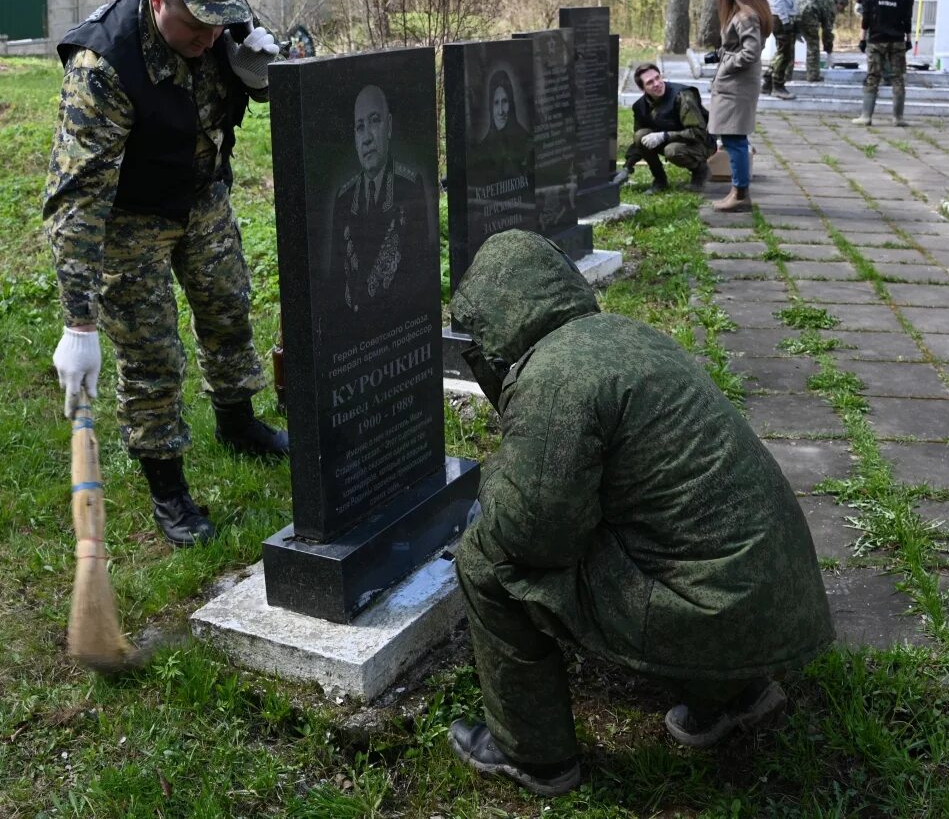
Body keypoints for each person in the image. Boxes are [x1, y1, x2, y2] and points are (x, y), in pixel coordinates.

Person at [446, 230, 834, 798]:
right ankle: (737, 696)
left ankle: (533, 756)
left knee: (487, 559)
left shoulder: (557, 376)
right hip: (780, 595)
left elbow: (533, 537)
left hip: (716, 608)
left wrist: (495, 483)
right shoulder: (626, 337)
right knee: (673, 538)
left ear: (497, 316)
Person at [45, 0, 290, 550]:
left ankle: (237, 422)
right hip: (130, 218)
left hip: (201, 194)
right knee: (152, 354)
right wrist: (79, 325)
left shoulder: (219, 14)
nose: (210, 37)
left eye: (220, 22)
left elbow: (271, 61)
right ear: (160, 0)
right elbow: (76, 202)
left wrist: (267, 74)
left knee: (228, 309)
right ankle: (169, 487)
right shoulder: (102, 67)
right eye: (198, 25)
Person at [328, 84, 436, 327]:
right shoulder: (344, 199)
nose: (366, 138)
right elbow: (336, 283)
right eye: (359, 127)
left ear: (388, 126)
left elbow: (418, 277)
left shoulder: (409, 186)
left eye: (374, 121)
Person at [709, 0, 771, 213]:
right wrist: (721, 55)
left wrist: (726, 66)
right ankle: (737, 191)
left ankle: (740, 193)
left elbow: (750, 52)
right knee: (733, 139)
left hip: (736, 85)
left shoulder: (745, 15)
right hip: (735, 85)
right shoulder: (745, 13)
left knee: (735, 140)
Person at [613, 63, 708, 191]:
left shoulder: (682, 96)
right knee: (641, 135)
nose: (657, 84)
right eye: (650, 82)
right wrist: (627, 167)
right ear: (643, 89)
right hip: (671, 140)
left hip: (699, 142)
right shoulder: (640, 107)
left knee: (672, 150)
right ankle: (660, 180)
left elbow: (699, 132)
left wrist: (665, 135)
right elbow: (638, 143)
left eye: (658, 78)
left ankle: (700, 172)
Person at [855, 0, 915, 126]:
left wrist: (862, 39)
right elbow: (907, 18)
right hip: (897, 40)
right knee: (897, 78)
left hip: (876, 40)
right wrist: (908, 39)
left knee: (873, 76)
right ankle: (898, 118)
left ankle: (866, 116)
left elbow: (866, 18)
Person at [762, 0, 803, 99]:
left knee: (782, 52)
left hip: (784, 17)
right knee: (785, 54)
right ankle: (777, 86)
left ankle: (767, 82)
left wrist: (795, 18)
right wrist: (786, 21)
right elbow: (779, 1)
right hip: (779, 18)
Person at [796, 0, 850, 83]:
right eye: (841, 8)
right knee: (813, 45)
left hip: (793, 9)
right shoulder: (831, 5)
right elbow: (827, 32)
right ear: (840, 4)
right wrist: (828, 50)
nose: (839, 11)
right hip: (808, 13)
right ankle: (813, 76)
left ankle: (786, 75)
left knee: (788, 45)